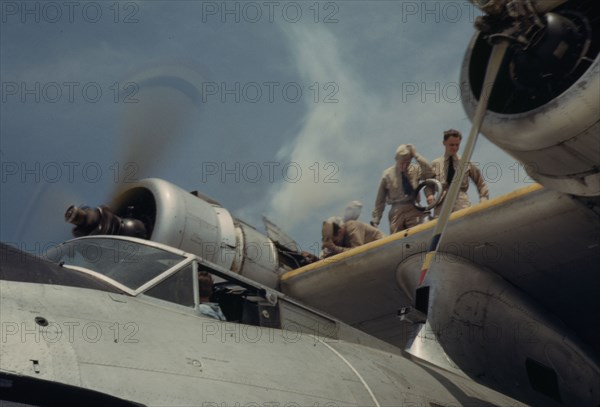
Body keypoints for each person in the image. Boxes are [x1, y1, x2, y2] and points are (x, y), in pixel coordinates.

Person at [371, 144, 434, 234]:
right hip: (396, 212)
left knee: (419, 235)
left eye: (407, 163)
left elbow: (430, 173)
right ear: (396, 160)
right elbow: (380, 200)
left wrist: (416, 155)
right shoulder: (387, 175)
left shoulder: (415, 170)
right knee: (397, 240)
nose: (404, 166)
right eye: (402, 163)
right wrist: (376, 220)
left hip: (414, 207)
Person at [429, 129, 489, 211]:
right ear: (444, 143)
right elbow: (428, 185)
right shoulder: (435, 164)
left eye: (457, 145)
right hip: (441, 206)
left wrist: (484, 199)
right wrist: (429, 195)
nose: (455, 148)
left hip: (462, 204)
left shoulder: (465, 162)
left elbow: (480, 182)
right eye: (451, 145)